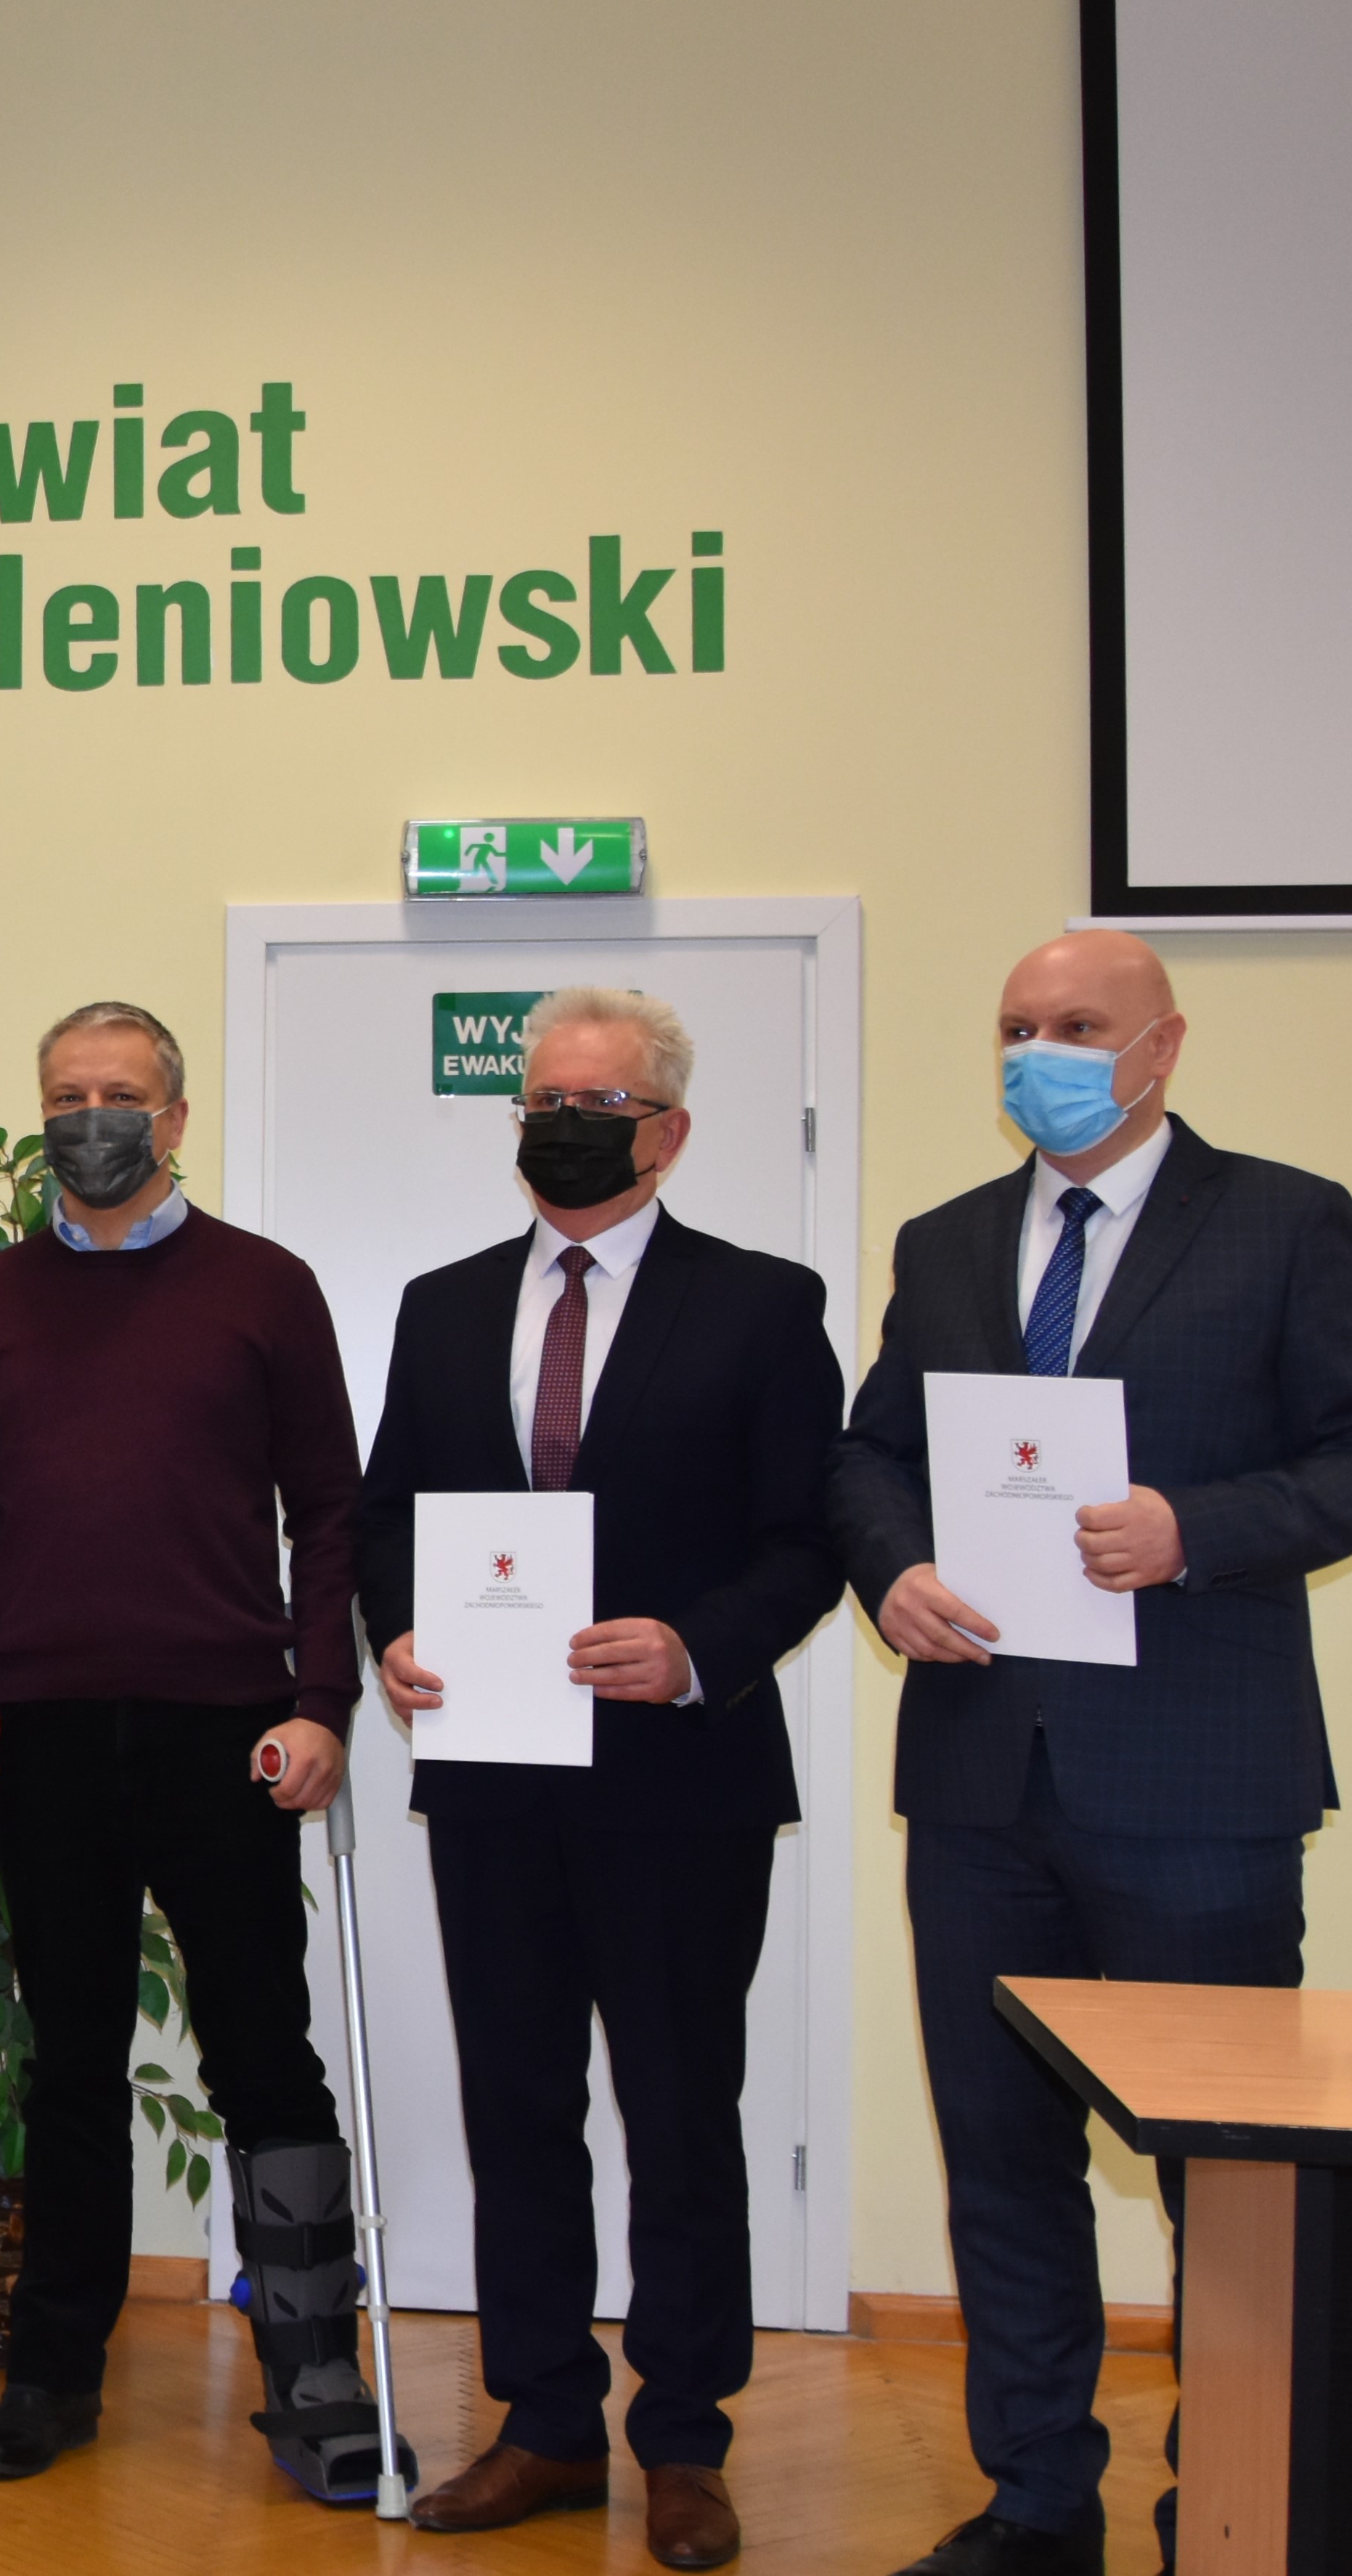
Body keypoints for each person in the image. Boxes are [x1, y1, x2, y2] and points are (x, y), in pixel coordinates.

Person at [834, 930, 1352, 2576]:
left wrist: (1195, 1528)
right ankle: (1036, 2503)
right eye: (1016, 1025)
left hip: (1197, 1786)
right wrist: (892, 1568)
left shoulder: (1284, 1219)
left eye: (1077, 1025)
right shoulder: (948, 1240)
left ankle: (1220, 2500)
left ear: (1160, 1046)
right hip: (977, 1778)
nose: (1041, 1052)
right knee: (1000, 2159)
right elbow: (869, 1455)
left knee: (1224, 2180)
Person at [357, 986, 843, 2572]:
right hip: (492, 1783)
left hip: (680, 1780)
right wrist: (394, 1633)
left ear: (669, 1129)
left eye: (598, 1100)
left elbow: (808, 1538)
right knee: (517, 2110)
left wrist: (697, 1646)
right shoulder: (439, 1305)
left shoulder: (761, 1304)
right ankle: (547, 2422)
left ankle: (684, 2439)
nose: (562, 1123)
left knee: (681, 2114)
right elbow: (382, 1517)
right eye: (541, 1098)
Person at [0, 999, 407, 2498]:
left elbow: (329, 1508)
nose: (91, 1119)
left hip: (225, 1732)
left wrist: (319, 1701)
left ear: (175, 1117)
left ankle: (318, 2377)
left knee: (261, 2051)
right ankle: (52, 2374)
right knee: (68, 2061)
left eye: (118, 1093)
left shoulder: (266, 1286)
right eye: (66, 1096)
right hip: (45, 1734)